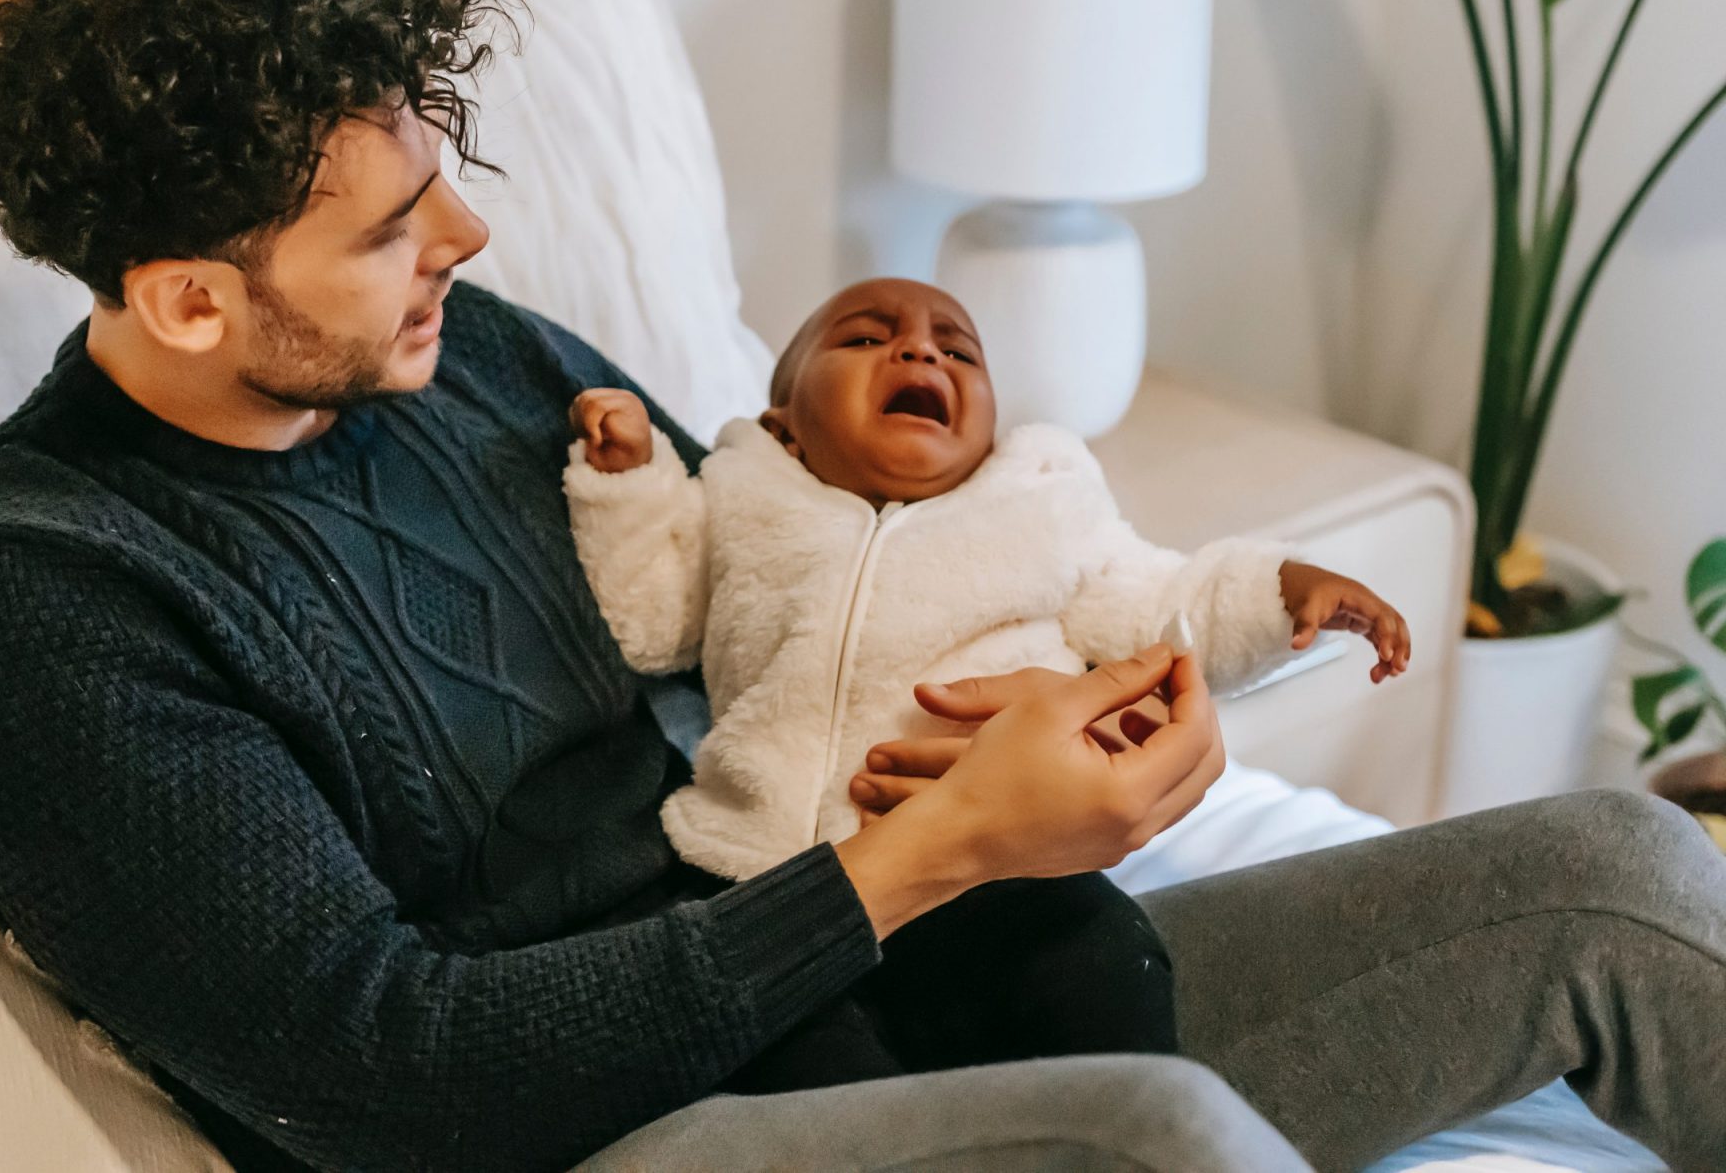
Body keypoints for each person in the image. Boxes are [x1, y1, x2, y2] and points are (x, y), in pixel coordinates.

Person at [0, 0, 1726, 1173]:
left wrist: (1001, 723)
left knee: (1609, 878)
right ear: (190, 299)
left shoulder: (469, 357)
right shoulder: (47, 608)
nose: (462, 245)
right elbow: (388, 1085)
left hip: (818, 967)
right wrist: (929, 861)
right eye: (386, 231)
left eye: (436, 188)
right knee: (1148, 1140)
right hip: (577, 1127)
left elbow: (759, 575)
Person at [563, 276, 1405, 1091]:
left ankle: (1130, 1131)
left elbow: (1160, 600)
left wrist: (1282, 589)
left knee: (1108, 964)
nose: (920, 353)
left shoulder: (1037, 509)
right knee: (804, 1069)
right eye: (865, 337)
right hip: (769, 874)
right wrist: (629, 480)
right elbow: (654, 619)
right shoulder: (739, 497)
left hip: (1000, 870)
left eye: (958, 352)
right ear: (783, 425)